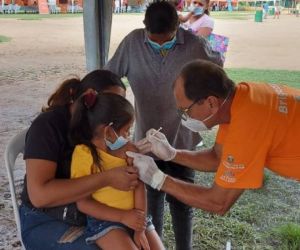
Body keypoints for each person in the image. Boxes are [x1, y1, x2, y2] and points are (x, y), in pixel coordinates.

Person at [104, 2, 222, 249]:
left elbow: (218, 70)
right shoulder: (133, 43)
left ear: (178, 27)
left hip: (183, 141)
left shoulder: (194, 45)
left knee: (183, 204)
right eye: (153, 40)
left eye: (165, 41)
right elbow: (109, 77)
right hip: (147, 141)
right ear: (144, 27)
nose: (159, 45)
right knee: (150, 203)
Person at [128, 59, 300, 216]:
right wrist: (172, 154)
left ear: (211, 103)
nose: (183, 117)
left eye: (185, 111)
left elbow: (218, 202)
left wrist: (157, 178)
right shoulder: (242, 98)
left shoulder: (247, 126)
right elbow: (218, 157)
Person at [20, 70, 139, 250]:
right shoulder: (47, 127)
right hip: (44, 219)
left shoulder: (102, 131)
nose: (115, 111)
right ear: (88, 98)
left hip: (93, 214)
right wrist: (107, 177)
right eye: (109, 104)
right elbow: (40, 196)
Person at [70, 92, 164, 250]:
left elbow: (140, 186)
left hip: (137, 216)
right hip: (106, 221)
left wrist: (139, 228)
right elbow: (83, 203)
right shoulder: (84, 155)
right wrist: (123, 216)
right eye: (126, 131)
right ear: (108, 131)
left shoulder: (129, 150)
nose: (128, 136)